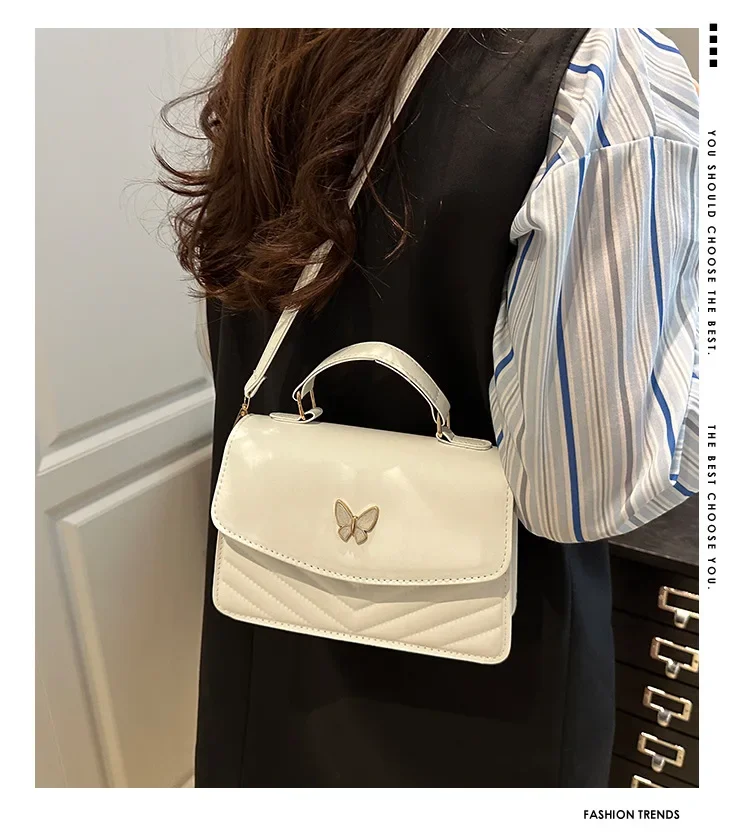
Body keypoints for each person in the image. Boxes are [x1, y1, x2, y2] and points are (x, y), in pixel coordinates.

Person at [158, 27, 698, 788]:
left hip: (269, 658)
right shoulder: (604, 65)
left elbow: (235, 347)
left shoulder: (278, 44)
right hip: (484, 705)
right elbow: (582, 491)